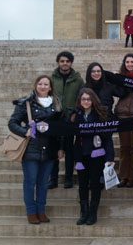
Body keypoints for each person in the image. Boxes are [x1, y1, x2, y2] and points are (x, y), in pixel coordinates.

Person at [8, 75, 64, 224]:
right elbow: (12, 123)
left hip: (50, 149)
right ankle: (31, 212)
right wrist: (25, 131)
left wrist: (61, 147)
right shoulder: (26, 103)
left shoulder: (57, 104)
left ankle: (41, 210)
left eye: (46, 84)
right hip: (31, 149)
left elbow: (61, 129)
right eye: (40, 84)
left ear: (50, 87)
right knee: (30, 181)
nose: (43, 86)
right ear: (36, 86)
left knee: (43, 182)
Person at [72, 88, 115, 226]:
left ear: (93, 100)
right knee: (82, 185)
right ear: (79, 101)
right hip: (81, 155)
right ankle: (83, 212)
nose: (86, 101)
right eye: (83, 99)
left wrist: (110, 156)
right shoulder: (75, 115)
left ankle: (92, 212)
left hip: (96, 155)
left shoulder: (101, 114)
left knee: (95, 184)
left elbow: (108, 138)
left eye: (88, 99)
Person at [49, 51, 84, 189]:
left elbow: (82, 97)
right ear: (58, 62)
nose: (65, 63)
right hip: (55, 117)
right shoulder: (51, 78)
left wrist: (75, 111)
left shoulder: (78, 79)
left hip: (70, 117)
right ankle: (53, 178)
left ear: (71, 63)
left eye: (67, 61)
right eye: (62, 61)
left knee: (69, 149)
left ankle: (68, 177)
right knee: (53, 149)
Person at [114, 54, 133, 187]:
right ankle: (123, 176)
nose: (130, 64)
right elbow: (117, 92)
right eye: (127, 62)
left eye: (132, 62)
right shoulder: (120, 77)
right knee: (124, 148)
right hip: (123, 115)